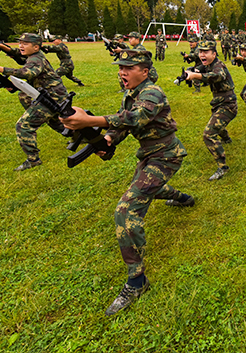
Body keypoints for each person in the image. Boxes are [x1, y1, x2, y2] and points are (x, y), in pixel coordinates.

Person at [61, 49, 194, 315]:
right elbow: (122, 126)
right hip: (149, 154)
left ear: (144, 71)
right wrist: (108, 139)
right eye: (120, 67)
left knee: (127, 210)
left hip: (165, 156)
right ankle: (183, 198)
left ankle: (137, 280)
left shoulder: (152, 93)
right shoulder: (130, 94)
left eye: (128, 68)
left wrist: (90, 120)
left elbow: (135, 118)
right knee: (147, 189)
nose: (122, 72)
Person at [0, 33, 69, 171]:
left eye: (25, 43)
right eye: (20, 43)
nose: (21, 46)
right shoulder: (32, 55)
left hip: (53, 98)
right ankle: (79, 136)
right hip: (50, 96)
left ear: (36, 47)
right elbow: (17, 53)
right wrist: (2, 47)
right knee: (56, 121)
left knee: (23, 126)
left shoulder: (36, 59)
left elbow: (28, 73)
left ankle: (33, 160)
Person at [183, 41, 237, 181]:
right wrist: (192, 71)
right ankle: (227, 139)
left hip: (228, 104)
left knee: (208, 134)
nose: (202, 55)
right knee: (216, 124)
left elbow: (216, 76)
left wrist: (196, 76)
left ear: (214, 54)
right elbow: (199, 69)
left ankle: (223, 167)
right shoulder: (207, 65)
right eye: (201, 52)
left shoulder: (219, 66)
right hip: (219, 103)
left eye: (206, 52)